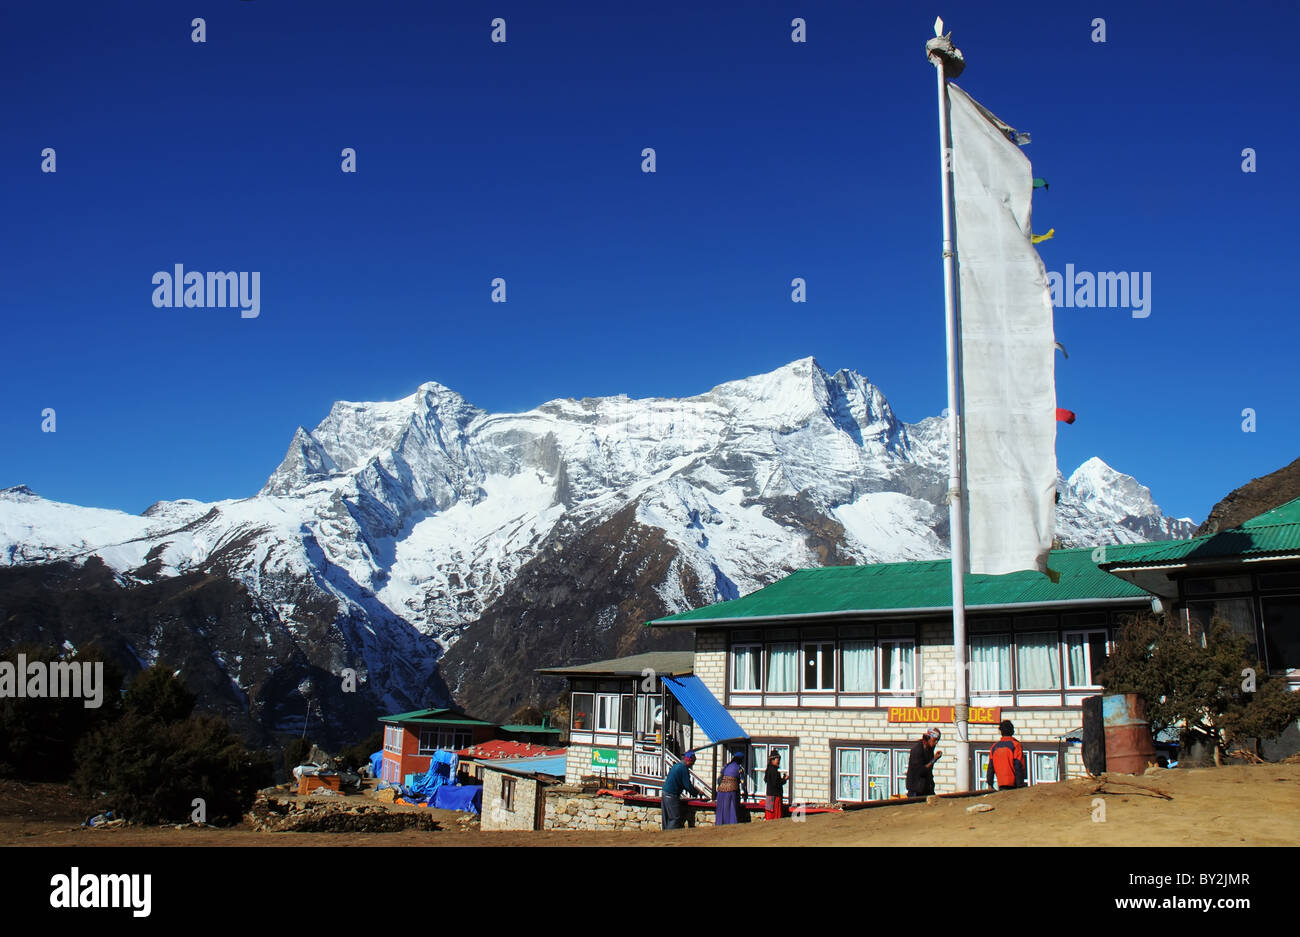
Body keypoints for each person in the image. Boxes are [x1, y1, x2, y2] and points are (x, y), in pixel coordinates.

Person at [661, 750, 699, 829]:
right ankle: (670, 837)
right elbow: (687, 785)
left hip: (665, 793)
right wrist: (696, 793)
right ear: (689, 760)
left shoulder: (677, 765)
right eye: (693, 762)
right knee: (675, 818)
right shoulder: (683, 768)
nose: (693, 764)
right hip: (671, 795)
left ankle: (663, 836)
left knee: (666, 818)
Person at [986, 720, 1026, 790]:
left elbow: (990, 767)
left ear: (1001, 732)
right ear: (1012, 731)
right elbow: (1018, 765)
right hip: (1014, 784)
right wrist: (1020, 785)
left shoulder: (994, 747)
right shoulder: (1016, 745)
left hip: (1001, 783)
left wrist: (990, 783)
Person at [906, 728, 943, 797]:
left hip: (927, 788)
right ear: (928, 738)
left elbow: (929, 769)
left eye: (938, 740)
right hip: (916, 791)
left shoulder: (929, 749)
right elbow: (920, 771)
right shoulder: (917, 750)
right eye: (935, 740)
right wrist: (933, 760)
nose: (936, 742)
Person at [714, 751, 745, 825]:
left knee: (721, 809)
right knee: (731, 809)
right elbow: (743, 782)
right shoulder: (739, 768)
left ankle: (720, 824)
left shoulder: (725, 766)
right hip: (732, 791)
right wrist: (745, 792)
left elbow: (719, 780)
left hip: (721, 791)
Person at [763, 750, 788, 820]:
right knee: (775, 816)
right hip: (775, 796)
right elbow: (776, 783)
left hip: (769, 795)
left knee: (769, 815)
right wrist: (784, 779)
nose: (779, 762)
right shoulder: (773, 770)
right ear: (772, 760)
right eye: (778, 760)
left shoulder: (768, 770)